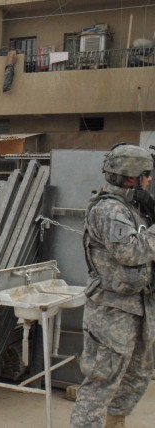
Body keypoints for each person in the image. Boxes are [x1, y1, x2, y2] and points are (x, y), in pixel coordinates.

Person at [70, 143, 155, 428]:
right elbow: (130, 253)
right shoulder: (109, 209)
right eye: (147, 175)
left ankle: (114, 422)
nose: (150, 180)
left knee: (136, 376)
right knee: (101, 381)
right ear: (132, 177)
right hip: (111, 310)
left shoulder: (134, 208)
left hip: (139, 308)